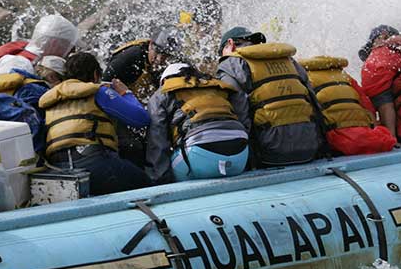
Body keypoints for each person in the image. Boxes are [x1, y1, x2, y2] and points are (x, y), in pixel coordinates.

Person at [38, 52, 151, 195]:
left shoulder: (50, 100)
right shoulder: (98, 92)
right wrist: (125, 93)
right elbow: (141, 119)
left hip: (58, 168)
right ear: (96, 75)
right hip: (93, 162)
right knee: (148, 186)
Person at [216, 27, 323, 167]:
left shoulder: (231, 64)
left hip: (269, 155)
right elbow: (315, 104)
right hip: (310, 149)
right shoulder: (290, 61)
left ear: (230, 44)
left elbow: (239, 115)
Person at [144, 63, 250, 184]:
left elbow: (158, 140)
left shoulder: (163, 93)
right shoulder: (220, 87)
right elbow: (244, 119)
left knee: (169, 170)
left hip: (199, 157)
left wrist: (158, 178)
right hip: (240, 156)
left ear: (164, 80)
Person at [103, 26, 184, 167]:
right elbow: (102, 87)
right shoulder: (130, 58)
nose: (159, 60)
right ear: (151, 44)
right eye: (157, 52)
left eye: (165, 56)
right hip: (118, 105)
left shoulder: (174, 61)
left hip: (139, 104)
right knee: (132, 145)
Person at [300, 56, 396, 155]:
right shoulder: (344, 76)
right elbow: (368, 107)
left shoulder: (302, 78)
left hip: (334, 139)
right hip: (364, 135)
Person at [0, 14, 79, 88]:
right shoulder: (20, 64)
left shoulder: (20, 56)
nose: (68, 53)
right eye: (68, 47)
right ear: (54, 44)